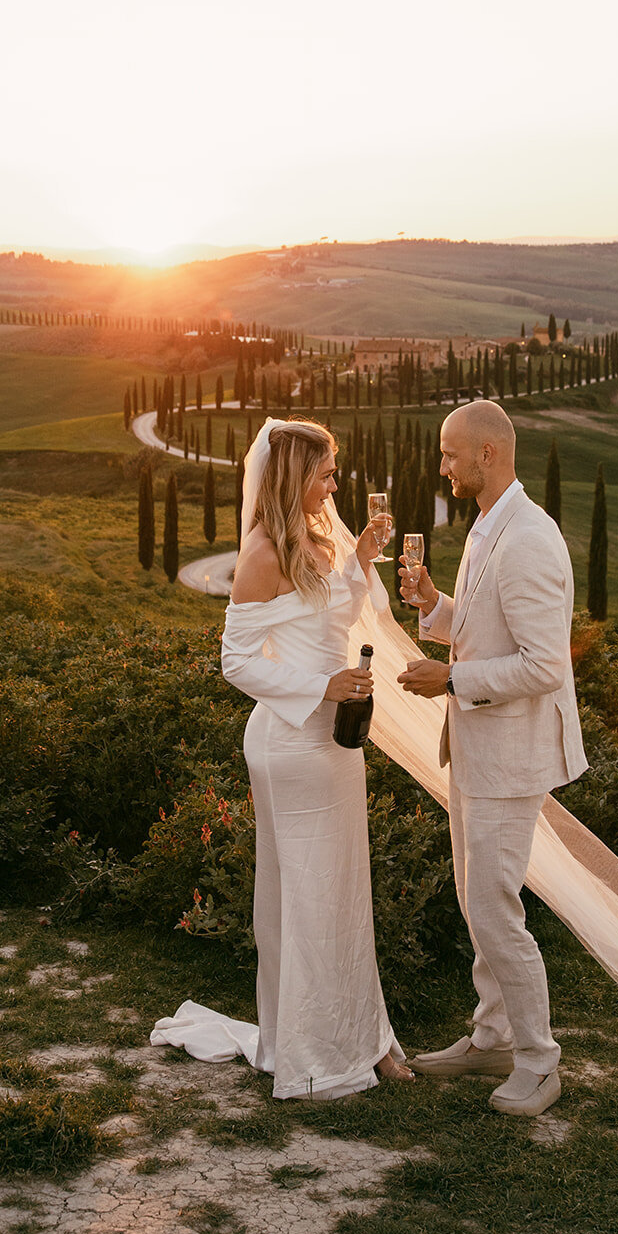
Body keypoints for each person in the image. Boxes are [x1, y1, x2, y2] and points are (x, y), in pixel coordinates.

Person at [152, 418, 412, 1100]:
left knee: (341, 892)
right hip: (290, 741)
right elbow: (235, 661)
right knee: (305, 895)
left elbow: (334, 617)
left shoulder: (319, 541)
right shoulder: (263, 552)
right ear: (295, 476)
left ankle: (362, 1034)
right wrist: (320, 686)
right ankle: (312, 1048)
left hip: (335, 739)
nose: (334, 485)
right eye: (325, 474)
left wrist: (358, 559)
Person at [397, 400, 585, 1116]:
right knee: (475, 903)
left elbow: (542, 666)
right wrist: (432, 603)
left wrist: (450, 678)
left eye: (449, 454)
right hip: (474, 748)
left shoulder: (530, 539)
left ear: (487, 454)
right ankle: (490, 1036)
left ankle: (538, 1061)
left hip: (511, 757)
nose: (440, 466)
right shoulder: (486, 524)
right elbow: (480, 629)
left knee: (494, 908)